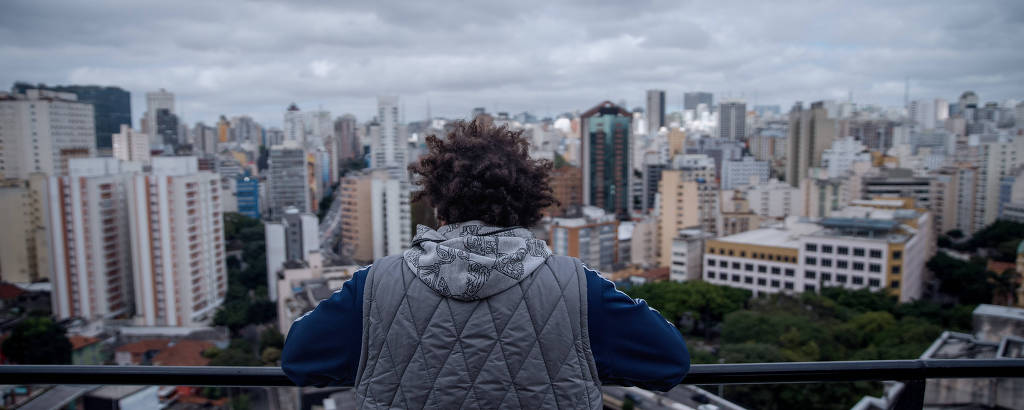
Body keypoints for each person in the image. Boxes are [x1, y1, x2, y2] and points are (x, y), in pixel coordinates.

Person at [282, 118, 689, 409]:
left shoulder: (374, 284)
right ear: (527, 206)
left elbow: (300, 359)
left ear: (439, 205)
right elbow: (669, 361)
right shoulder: (579, 286)